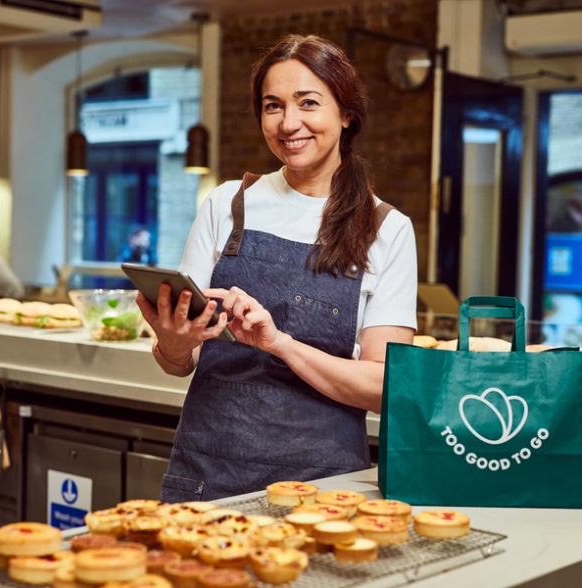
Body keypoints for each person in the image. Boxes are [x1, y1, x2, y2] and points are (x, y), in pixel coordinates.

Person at [137, 34, 417, 502]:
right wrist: (173, 343)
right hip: (207, 476)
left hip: (325, 490)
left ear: (346, 114)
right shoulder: (226, 203)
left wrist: (279, 344)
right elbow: (177, 363)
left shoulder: (385, 228)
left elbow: (384, 387)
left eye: (308, 103)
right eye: (273, 106)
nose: (289, 123)